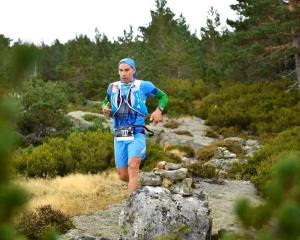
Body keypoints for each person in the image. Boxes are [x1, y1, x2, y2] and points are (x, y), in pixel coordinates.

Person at [102, 57, 168, 196]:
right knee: (123, 175)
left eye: (127, 70)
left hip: (137, 132)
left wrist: (159, 110)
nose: (123, 73)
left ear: (134, 70)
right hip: (119, 134)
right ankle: (143, 178)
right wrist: (105, 109)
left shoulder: (143, 85)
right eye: (121, 70)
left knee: (133, 166)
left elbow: (163, 96)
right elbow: (106, 102)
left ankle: (131, 208)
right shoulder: (112, 87)